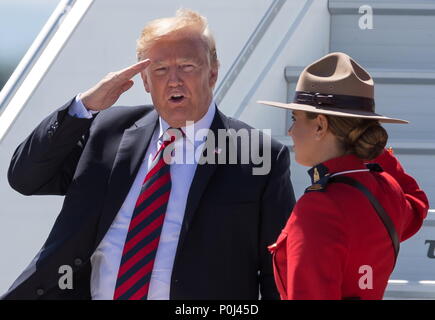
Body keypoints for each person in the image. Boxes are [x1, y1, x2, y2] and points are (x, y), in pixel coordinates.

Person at [3, 9, 295, 300]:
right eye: (160, 70)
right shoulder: (108, 131)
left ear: (213, 72)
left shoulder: (258, 156)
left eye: (187, 66)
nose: (174, 80)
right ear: (144, 81)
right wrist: (85, 106)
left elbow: (278, 277)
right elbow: (25, 178)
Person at [260, 52, 429, 300]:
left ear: (320, 125)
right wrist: (371, 148)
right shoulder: (386, 188)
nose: (290, 130)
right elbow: (417, 203)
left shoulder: (318, 208)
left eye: (295, 119)